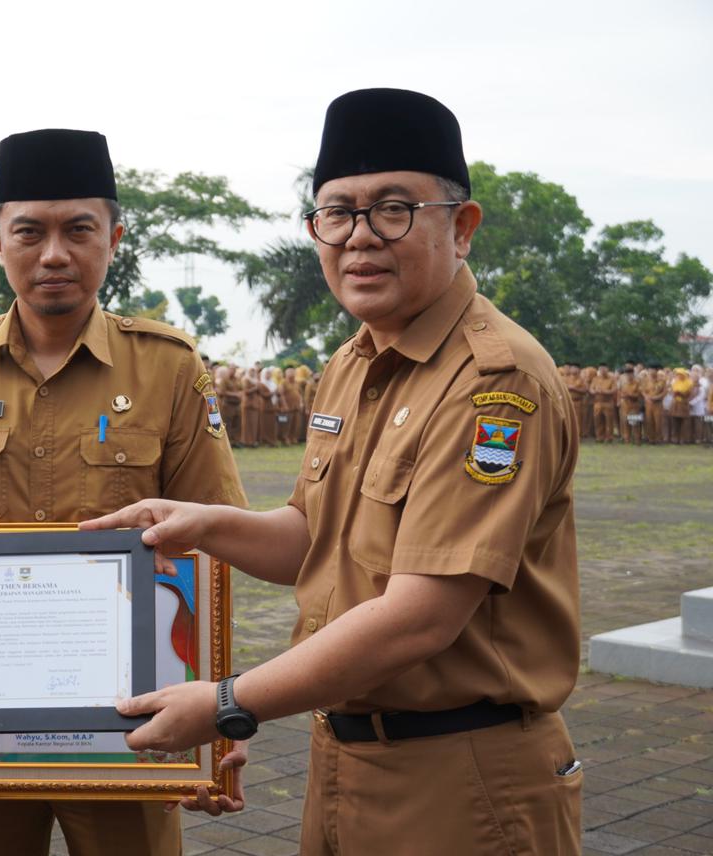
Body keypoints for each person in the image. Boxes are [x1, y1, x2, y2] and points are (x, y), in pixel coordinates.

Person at [85, 89, 581, 855]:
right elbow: (314, 539)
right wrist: (203, 524)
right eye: (336, 213)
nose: (358, 238)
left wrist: (226, 702)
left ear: (463, 227)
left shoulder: (495, 384)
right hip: (346, 756)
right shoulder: (355, 362)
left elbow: (421, 613)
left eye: (392, 210)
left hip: (462, 774)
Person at [0, 128, 250, 856]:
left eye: (79, 230)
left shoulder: (167, 367)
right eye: (30, 231)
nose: (54, 253)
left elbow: (212, 547)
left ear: (115, 238)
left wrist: (220, 711)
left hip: (129, 726)